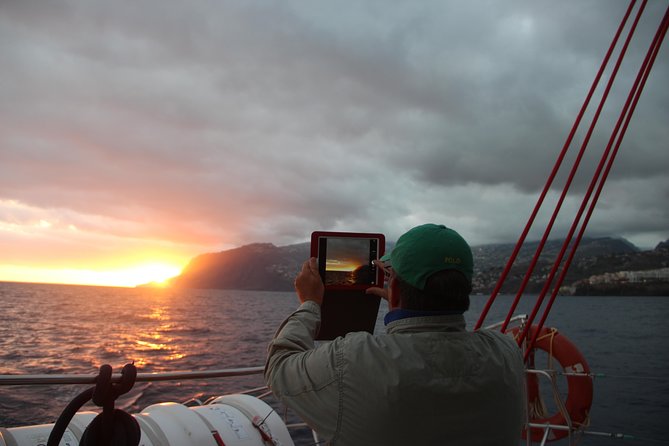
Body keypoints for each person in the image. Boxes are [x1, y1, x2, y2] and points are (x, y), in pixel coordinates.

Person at [264, 224, 526, 445]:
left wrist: (310, 303)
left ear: (396, 289)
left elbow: (279, 366)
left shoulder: (353, 360)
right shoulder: (506, 353)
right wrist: (404, 301)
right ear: (465, 287)